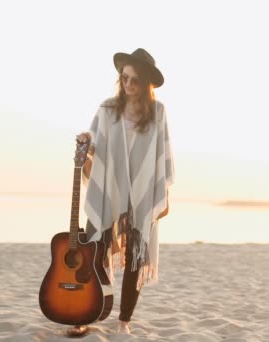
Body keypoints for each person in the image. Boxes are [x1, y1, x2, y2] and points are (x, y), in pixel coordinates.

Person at [72, 48, 174, 336]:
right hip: (110, 190)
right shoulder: (107, 109)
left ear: (147, 84)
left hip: (140, 193)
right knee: (94, 251)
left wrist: (162, 194)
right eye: (124, 77)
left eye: (135, 80)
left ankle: (124, 321)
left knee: (136, 255)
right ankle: (84, 312)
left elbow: (162, 155)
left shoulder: (158, 112)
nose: (128, 84)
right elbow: (94, 140)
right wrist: (85, 139)